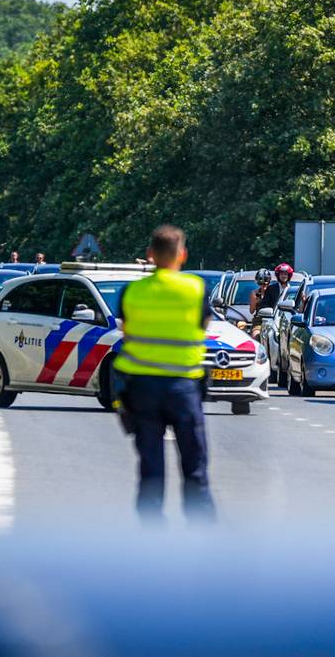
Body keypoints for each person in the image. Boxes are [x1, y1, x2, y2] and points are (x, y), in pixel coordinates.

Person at [114, 225, 215, 524]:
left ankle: (152, 537)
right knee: (195, 466)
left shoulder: (132, 292)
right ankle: (202, 533)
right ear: (182, 255)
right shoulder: (195, 289)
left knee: (150, 467)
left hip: (141, 388)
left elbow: (127, 331)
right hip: (184, 387)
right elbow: (203, 326)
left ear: (150, 255)